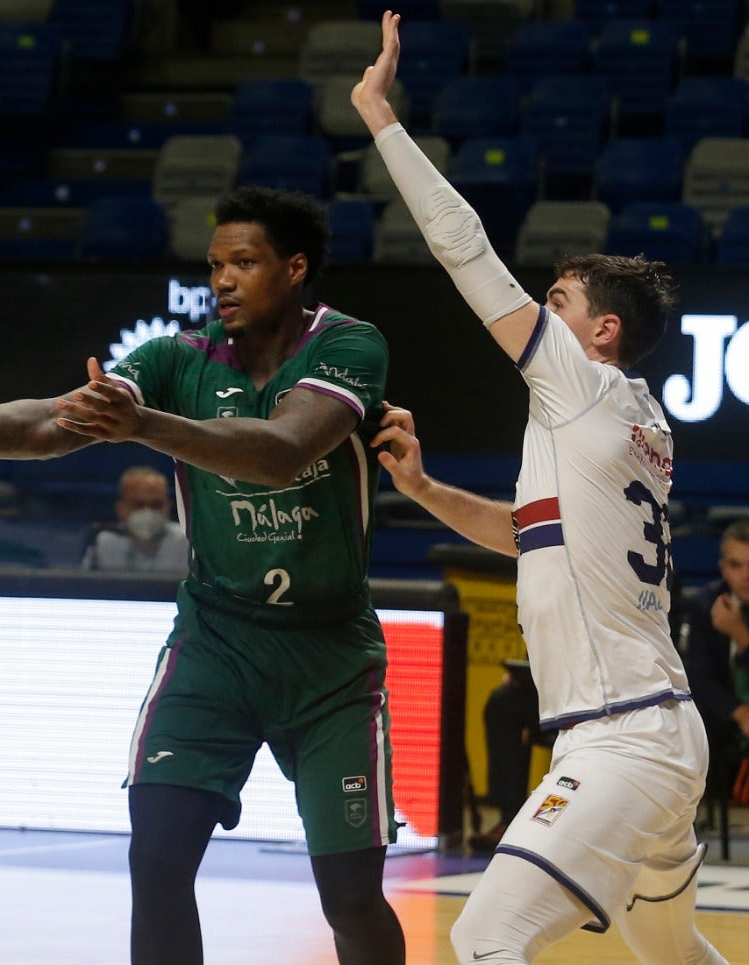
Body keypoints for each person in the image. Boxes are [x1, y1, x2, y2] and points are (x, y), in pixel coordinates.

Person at [0, 185, 406, 965]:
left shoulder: (350, 346)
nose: (222, 279)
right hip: (217, 643)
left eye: (244, 263)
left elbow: (284, 451)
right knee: (156, 859)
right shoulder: (175, 357)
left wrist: (144, 424)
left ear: (294, 268)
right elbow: (54, 419)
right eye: (214, 264)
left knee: (349, 898)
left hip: (330, 657)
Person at [354, 13, 725, 963]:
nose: (538, 315)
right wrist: (426, 489)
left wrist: (380, 117)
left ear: (601, 332)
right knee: (676, 956)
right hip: (660, 730)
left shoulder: (580, 384)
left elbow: (464, 248)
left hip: (623, 737)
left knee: (486, 937)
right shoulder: (636, 423)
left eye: (557, 304)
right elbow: (536, 535)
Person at [678, 520, 749, 807]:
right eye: (736, 565)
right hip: (724, 721)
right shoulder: (704, 605)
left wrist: (741, 636)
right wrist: (739, 713)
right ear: (722, 567)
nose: (746, 576)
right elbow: (697, 676)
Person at [471, 660, 555, 854]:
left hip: (580, 691)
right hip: (542, 685)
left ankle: (517, 819)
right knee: (501, 701)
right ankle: (509, 815)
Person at [81, 464, 190, 573]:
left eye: (156, 505)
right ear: (120, 508)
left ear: (168, 506)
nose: (148, 513)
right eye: (139, 505)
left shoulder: (186, 542)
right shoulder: (105, 544)